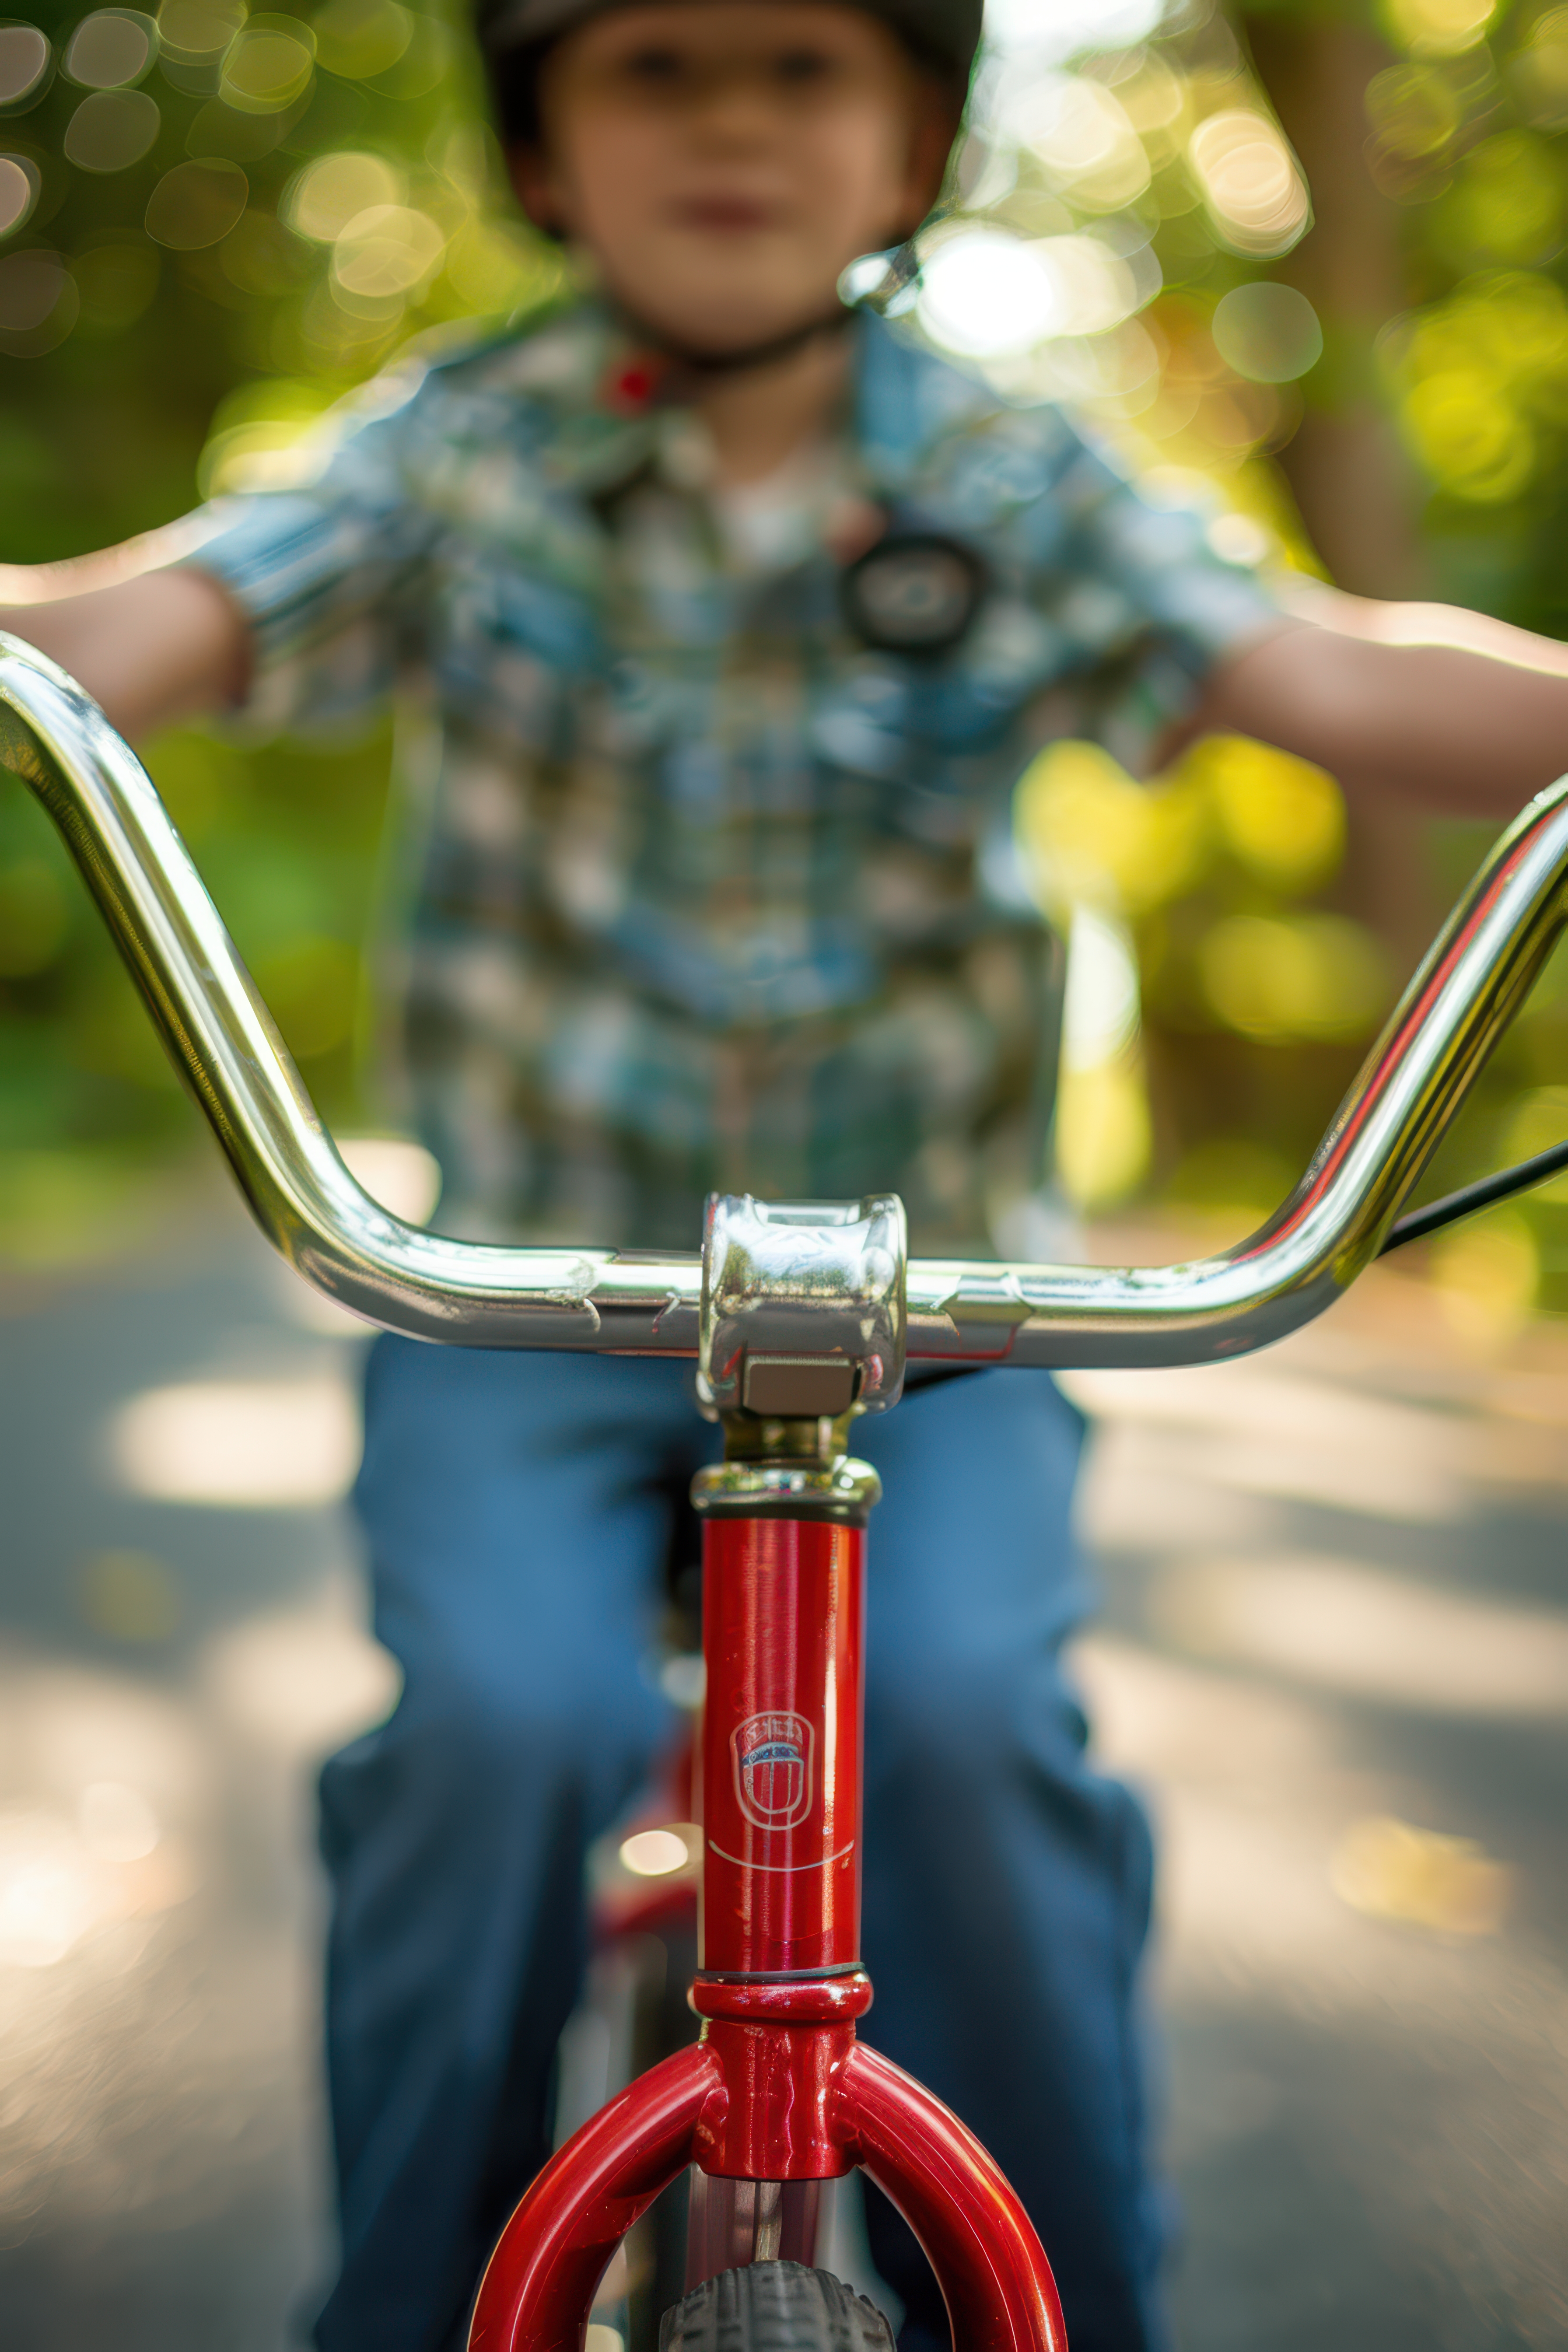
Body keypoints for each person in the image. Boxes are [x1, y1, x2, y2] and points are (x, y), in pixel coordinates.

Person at [7, 4, 1568, 2346]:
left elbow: (1328, 675)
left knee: (968, 1743)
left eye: (798, 70)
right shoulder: (461, 456)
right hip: (523, 1299)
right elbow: (139, 627)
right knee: (491, 1734)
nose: (730, 120)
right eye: (653, 69)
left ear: (913, 138)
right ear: (542, 147)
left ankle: (1076, 2316)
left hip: (938, 1329)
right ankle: (404, 2301)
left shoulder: (1016, 476)